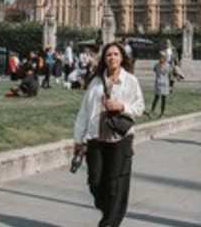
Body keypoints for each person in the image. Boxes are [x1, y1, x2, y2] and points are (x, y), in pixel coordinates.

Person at [73, 41, 145, 227]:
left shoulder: (130, 80)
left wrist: (121, 106)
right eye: (108, 55)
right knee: (95, 183)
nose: (112, 58)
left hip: (120, 139)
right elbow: (84, 111)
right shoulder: (96, 82)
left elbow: (139, 107)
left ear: (122, 58)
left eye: (115, 54)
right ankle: (110, 213)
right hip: (96, 139)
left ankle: (109, 222)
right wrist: (78, 140)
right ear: (104, 59)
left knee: (116, 186)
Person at [148, 51, 171, 118]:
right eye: (160, 57)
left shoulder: (167, 66)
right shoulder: (156, 65)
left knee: (164, 99)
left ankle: (162, 113)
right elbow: (154, 70)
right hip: (158, 83)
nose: (161, 59)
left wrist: (170, 85)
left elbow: (169, 75)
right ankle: (152, 111)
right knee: (156, 98)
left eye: (162, 57)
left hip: (165, 83)